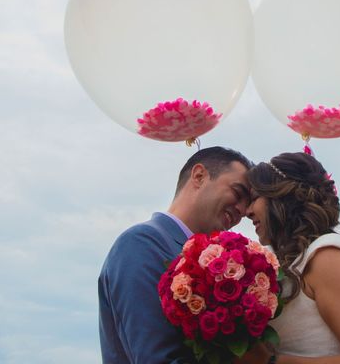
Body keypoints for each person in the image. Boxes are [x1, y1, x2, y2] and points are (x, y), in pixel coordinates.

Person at [98, 146, 253, 364]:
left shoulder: (209, 260)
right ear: (199, 176)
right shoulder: (142, 244)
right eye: (238, 193)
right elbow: (157, 357)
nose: (242, 210)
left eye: (246, 207)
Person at [241, 152, 340, 364]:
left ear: (281, 196)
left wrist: (269, 362)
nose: (247, 211)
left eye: (255, 197)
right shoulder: (299, 261)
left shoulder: (328, 257)